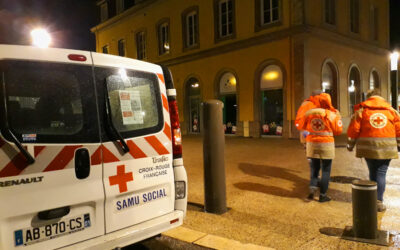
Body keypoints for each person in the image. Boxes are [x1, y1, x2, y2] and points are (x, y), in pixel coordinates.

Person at [347, 89, 400, 212]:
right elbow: (399, 131)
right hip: (387, 149)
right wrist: (398, 145)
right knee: (381, 173)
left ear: (369, 98)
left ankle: (371, 199)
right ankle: (378, 201)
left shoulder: (362, 111)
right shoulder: (392, 112)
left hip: (368, 149)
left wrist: (350, 145)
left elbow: (354, 130)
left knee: (373, 172)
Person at [300, 93, 343, 202]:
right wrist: (339, 117)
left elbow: (303, 129)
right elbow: (338, 131)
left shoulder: (308, 114)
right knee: (326, 171)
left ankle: (312, 189)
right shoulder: (331, 114)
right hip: (326, 145)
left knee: (314, 169)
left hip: (311, 144)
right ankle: (323, 195)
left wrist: (304, 142)